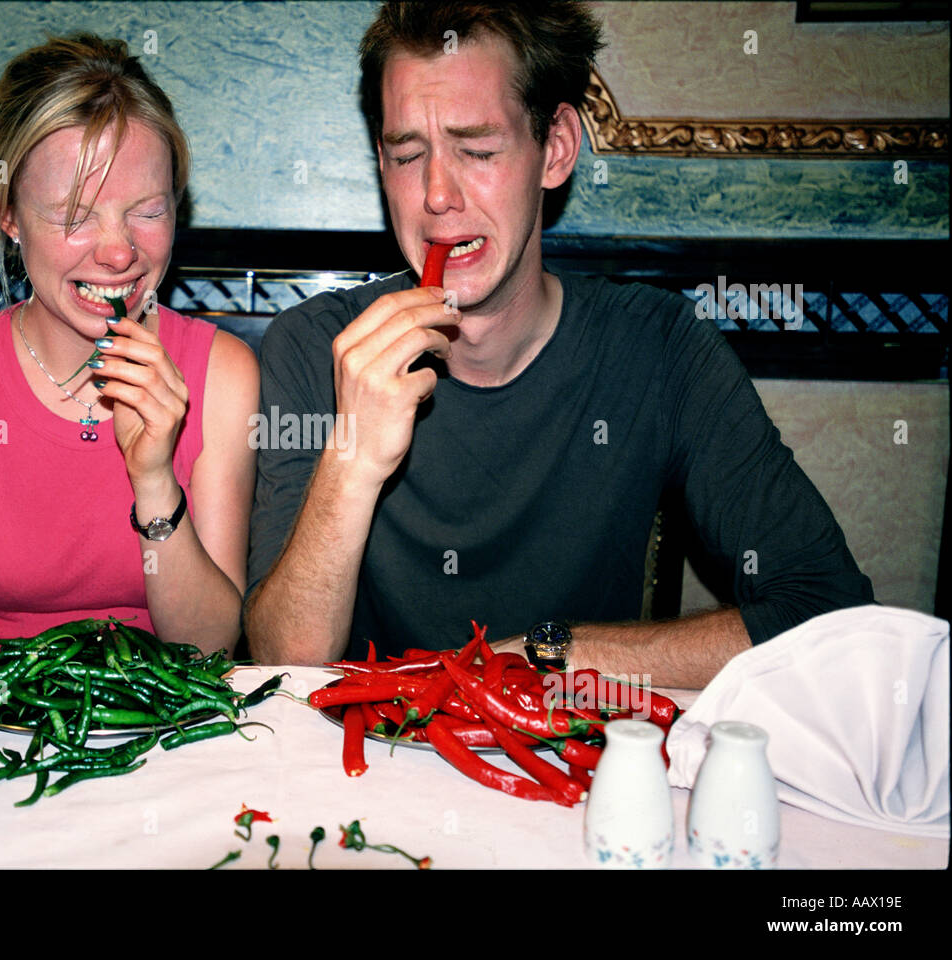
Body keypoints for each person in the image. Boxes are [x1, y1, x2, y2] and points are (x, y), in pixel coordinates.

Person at [244, 2, 873, 687]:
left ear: (558, 148)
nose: (436, 196)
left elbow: (830, 614)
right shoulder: (313, 344)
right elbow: (282, 666)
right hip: (363, 770)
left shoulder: (662, 348)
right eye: (407, 155)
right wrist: (352, 460)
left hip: (572, 770)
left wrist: (551, 651)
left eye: (478, 149)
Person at [0, 33, 258, 657]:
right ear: (7, 215)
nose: (118, 253)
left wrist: (155, 481)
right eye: (75, 216)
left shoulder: (223, 374)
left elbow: (211, 652)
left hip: (166, 738)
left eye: (147, 210)